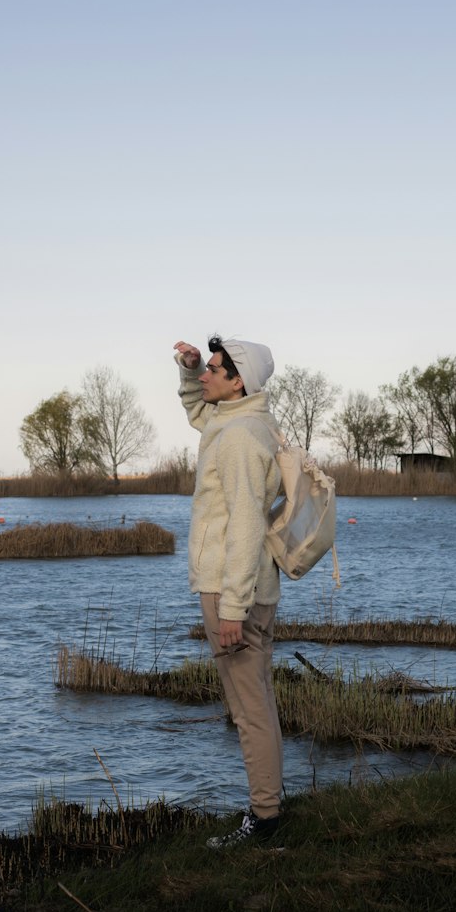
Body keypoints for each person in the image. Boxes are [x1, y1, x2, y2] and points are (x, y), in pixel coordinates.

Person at [172, 334, 284, 848]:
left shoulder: (238, 438)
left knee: (247, 709)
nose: (204, 376)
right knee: (257, 699)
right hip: (249, 584)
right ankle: (270, 804)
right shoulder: (246, 422)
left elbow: (243, 527)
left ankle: (263, 819)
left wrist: (232, 608)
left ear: (238, 382)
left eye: (212, 369)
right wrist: (187, 367)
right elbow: (201, 414)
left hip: (230, 589)